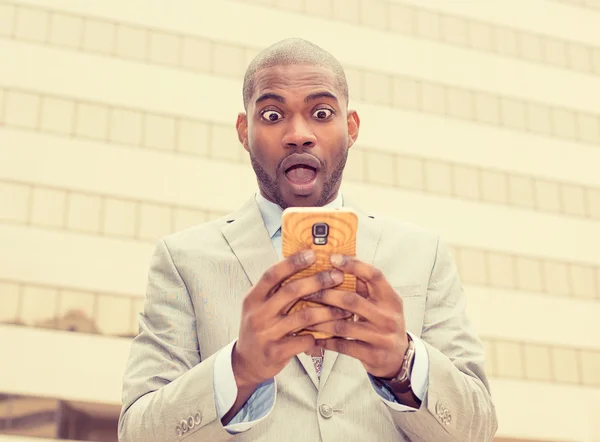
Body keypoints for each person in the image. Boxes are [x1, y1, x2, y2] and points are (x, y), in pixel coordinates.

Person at [118, 38, 497, 442]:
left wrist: (404, 364)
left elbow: (478, 429)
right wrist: (238, 370)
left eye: (320, 112)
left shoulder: (424, 254)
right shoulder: (182, 260)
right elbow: (138, 433)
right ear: (244, 131)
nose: (298, 134)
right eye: (272, 114)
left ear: (350, 128)